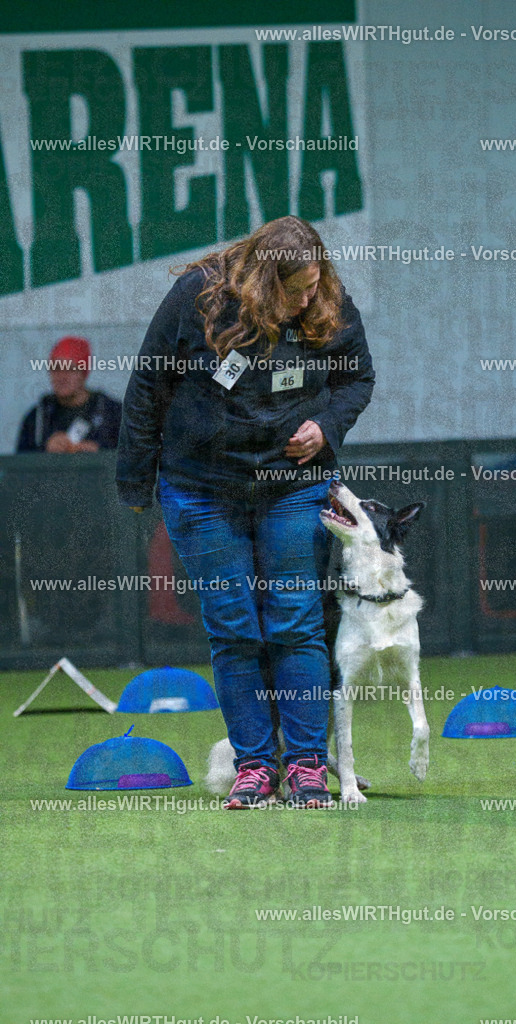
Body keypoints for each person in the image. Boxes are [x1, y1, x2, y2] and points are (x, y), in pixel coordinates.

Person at [116, 216, 375, 808]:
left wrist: (326, 426)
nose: (308, 300)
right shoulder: (200, 297)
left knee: (297, 623)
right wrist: (136, 481)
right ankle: (254, 767)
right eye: (295, 291)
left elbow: (357, 379)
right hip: (203, 487)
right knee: (233, 629)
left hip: (293, 485)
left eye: (314, 285)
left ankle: (307, 765)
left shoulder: (326, 301)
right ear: (263, 281)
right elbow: (148, 386)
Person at [16, 335, 122, 452]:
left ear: (83, 373)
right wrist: (46, 450)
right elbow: (20, 460)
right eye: (56, 368)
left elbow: (131, 455)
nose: (62, 377)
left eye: (70, 369)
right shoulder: (38, 418)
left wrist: (100, 453)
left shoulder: (112, 414)